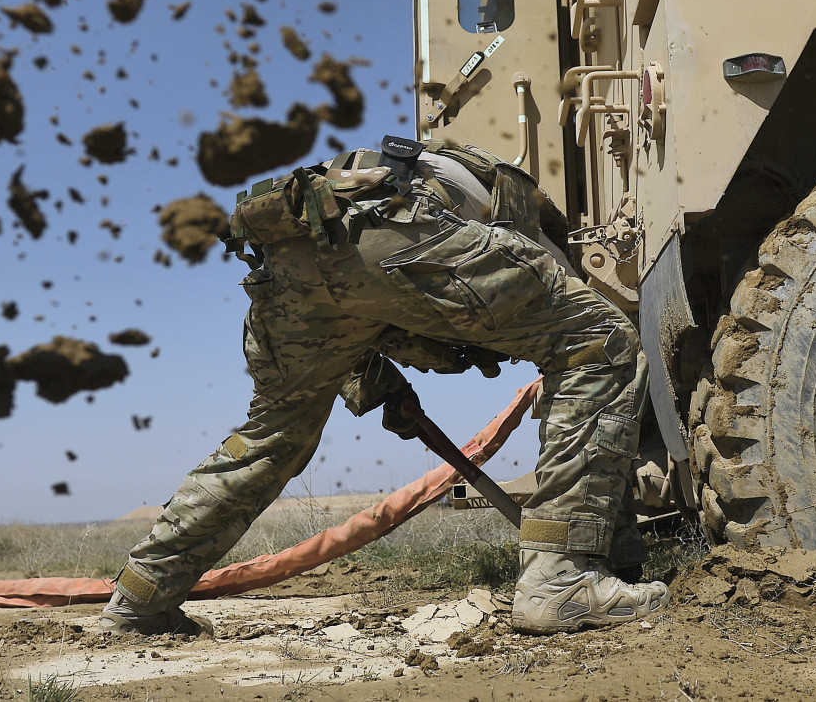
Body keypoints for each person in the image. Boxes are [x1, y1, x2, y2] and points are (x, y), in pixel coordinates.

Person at [100, 137, 669, 636]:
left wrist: (381, 388)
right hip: (392, 227)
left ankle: (141, 600)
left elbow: (361, 309)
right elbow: (566, 356)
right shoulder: (537, 223)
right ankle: (561, 578)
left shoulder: (428, 176)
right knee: (605, 345)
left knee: (274, 435)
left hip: (293, 250)